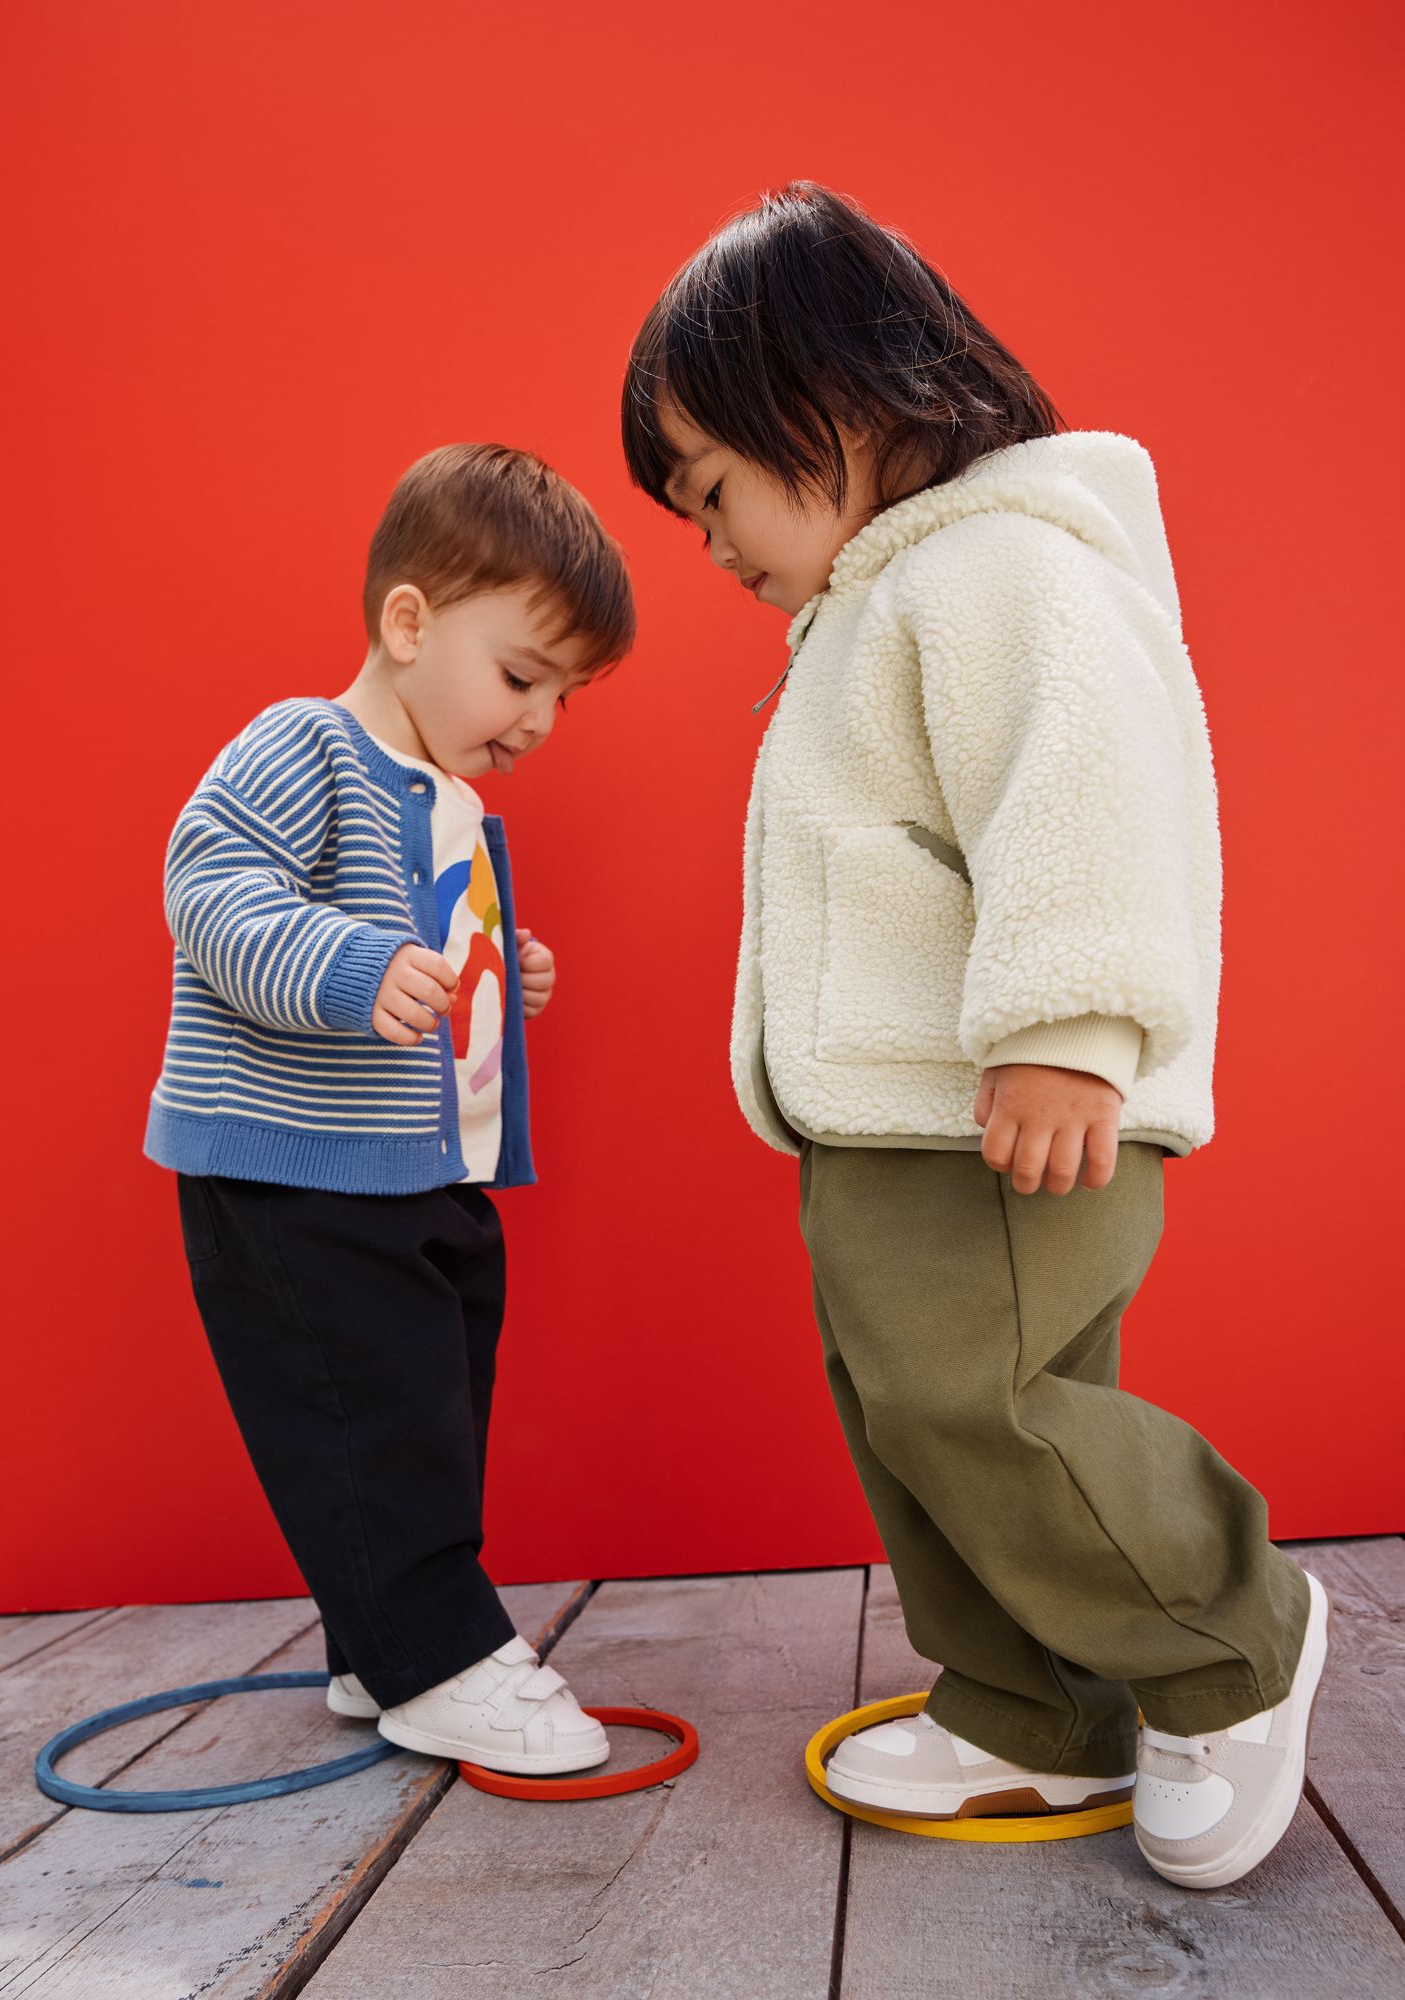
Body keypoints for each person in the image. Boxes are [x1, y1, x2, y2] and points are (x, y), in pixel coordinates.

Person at [620, 181, 1327, 1888]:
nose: (709, 545)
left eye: (713, 489)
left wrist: (1070, 1024)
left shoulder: (1003, 568)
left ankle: (1230, 1640)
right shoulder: (869, 609)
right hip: (893, 1122)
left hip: (1000, 1105)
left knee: (983, 1403)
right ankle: (1030, 1698)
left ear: (842, 399)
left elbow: (1079, 792)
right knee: (910, 1412)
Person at [143, 443, 635, 1775]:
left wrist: (502, 968)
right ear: (408, 623)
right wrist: (359, 969)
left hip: (417, 1172)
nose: (537, 720)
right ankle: (440, 1656)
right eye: (521, 676)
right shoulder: (305, 745)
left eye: (565, 698)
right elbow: (216, 894)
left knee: (428, 1398)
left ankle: (377, 1643)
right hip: (298, 1173)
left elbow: (435, 962)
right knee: (365, 1403)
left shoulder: (458, 809)